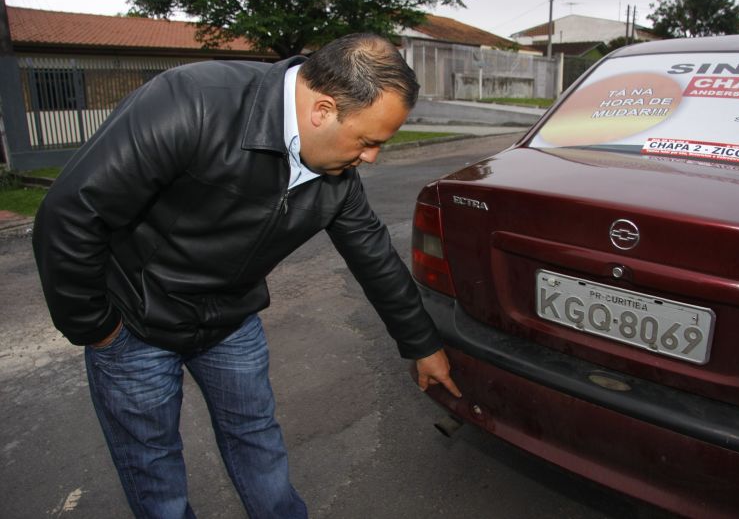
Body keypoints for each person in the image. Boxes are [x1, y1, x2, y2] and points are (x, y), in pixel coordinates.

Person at [32, 33, 461, 519]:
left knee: (256, 438)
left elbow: (375, 257)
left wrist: (422, 345)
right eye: (367, 142)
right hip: (134, 325)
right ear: (322, 110)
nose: (371, 158)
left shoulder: (337, 176)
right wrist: (97, 330)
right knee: (152, 465)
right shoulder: (193, 102)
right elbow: (70, 215)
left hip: (230, 322)